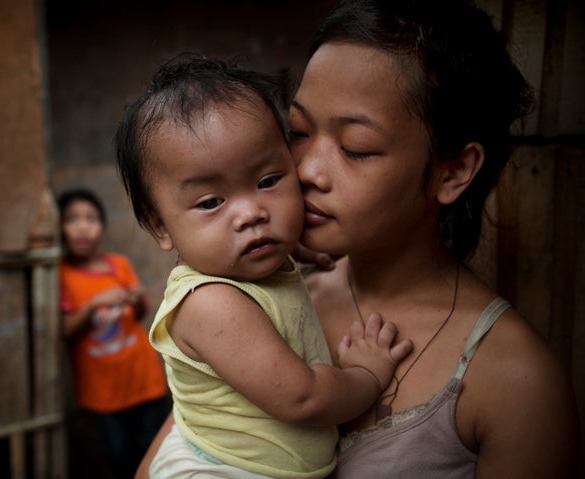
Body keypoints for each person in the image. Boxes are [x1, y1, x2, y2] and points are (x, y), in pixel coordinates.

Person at [287, 0, 579, 477]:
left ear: (454, 171)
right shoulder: (276, 293)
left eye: (355, 149)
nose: (306, 170)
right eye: (298, 130)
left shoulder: (514, 379)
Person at [114, 52, 412, 478]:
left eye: (268, 181)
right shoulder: (211, 305)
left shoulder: (247, 270)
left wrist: (292, 249)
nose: (250, 213)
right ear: (160, 226)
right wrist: (367, 373)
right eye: (211, 202)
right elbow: (303, 398)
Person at [57, 188, 171, 479]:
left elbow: (141, 313)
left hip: (144, 377)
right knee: (119, 455)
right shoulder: (62, 276)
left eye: (91, 219)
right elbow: (65, 330)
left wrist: (137, 298)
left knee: (156, 452)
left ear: (103, 227)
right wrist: (94, 304)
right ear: (60, 228)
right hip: (102, 390)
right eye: (72, 219)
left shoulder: (118, 265)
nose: (83, 226)